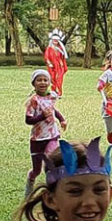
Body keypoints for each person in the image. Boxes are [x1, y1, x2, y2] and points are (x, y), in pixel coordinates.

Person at [24, 69, 66, 198]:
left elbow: (53, 110)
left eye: (45, 80)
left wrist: (62, 119)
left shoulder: (52, 96)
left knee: (52, 159)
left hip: (52, 135)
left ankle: (54, 189)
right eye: (39, 80)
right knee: (36, 170)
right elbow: (28, 120)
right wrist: (42, 116)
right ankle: (30, 182)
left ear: (49, 82)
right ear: (33, 83)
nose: (42, 82)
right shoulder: (33, 100)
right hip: (37, 139)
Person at [44, 30, 69, 97]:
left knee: (59, 79)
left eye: (56, 40)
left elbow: (63, 58)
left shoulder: (60, 49)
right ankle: (53, 91)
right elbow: (46, 57)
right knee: (52, 79)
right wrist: (49, 63)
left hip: (59, 67)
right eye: (54, 40)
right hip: (52, 67)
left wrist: (63, 66)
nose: (55, 41)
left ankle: (59, 92)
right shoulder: (49, 48)